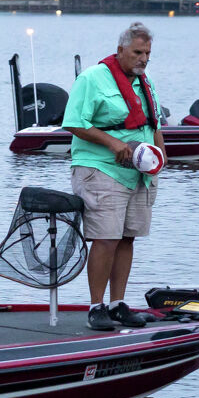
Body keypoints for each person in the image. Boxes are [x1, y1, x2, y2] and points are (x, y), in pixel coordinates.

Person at [62, 22, 162, 330]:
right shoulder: (92, 78)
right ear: (120, 50)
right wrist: (114, 143)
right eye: (137, 52)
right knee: (105, 238)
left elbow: (154, 121)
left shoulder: (144, 82)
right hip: (100, 168)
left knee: (127, 237)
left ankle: (119, 305)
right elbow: (74, 122)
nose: (143, 59)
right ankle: (96, 307)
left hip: (138, 173)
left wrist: (160, 150)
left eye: (147, 53)